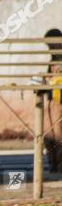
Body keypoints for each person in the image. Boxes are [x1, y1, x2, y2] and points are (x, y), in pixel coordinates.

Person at [43, 28, 62, 171]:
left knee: (58, 135)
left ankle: (58, 163)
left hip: (59, 100)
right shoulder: (53, 58)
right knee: (48, 134)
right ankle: (53, 162)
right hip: (52, 99)